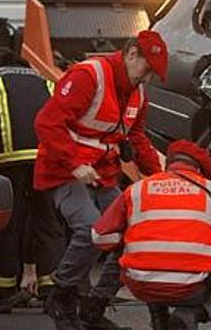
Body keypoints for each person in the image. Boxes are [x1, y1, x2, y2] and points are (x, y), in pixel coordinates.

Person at [34, 30, 169, 330]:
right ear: (131, 54)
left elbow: (136, 136)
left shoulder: (137, 93)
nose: (146, 80)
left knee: (130, 236)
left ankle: (94, 306)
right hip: (63, 171)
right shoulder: (89, 76)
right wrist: (74, 163)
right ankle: (62, 297)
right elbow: (47, 122)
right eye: (147, 71)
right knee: (91, 230)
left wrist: (161, 178)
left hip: (103, 174)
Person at [92, 140, 211, 330]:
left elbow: (98, 236)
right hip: (190, 288)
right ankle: (189, 315)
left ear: (169, 164)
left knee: (149, 261)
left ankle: (154, 321)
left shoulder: (137, 189)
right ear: (201, 170)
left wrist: (128, 243)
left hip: (141, 284)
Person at [0, 47, 62, 313]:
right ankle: (50, 290)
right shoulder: (43, 80)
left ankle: (2, 294)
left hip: (7, 158)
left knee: (7, 223)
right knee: (48, 221)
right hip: (45, 156)